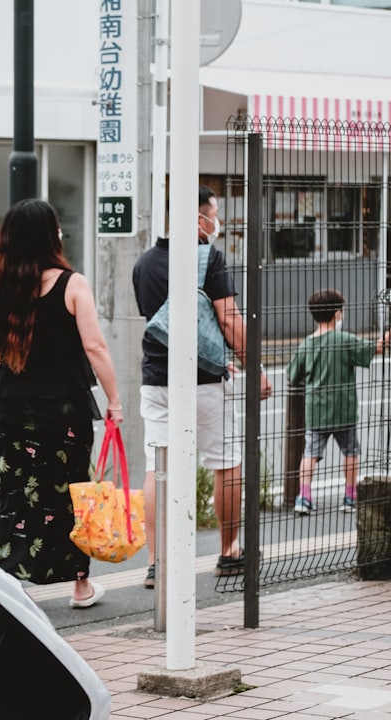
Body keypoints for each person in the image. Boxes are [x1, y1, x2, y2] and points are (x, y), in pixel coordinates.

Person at [0, 198, 123, 609]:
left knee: (13, 495)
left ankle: (9, 586)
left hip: (11, 409)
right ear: (49, 234)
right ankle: (79, 587)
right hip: (65, 411)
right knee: (69, 494)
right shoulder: (72, 283)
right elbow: (95, 347)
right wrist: (114, 399)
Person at [132, 185, 273, 588]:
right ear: (199, 219)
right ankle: (229, 552)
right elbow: (227, 320)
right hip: (204, 381)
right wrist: (254, 366)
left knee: (158, 467)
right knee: (225, 460)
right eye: (214, 214)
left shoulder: (144, 263)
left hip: (156, 380)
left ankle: (157, 562)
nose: (218, 222)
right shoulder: (207, 257)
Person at [287, 288, 385, 514]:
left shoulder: (306, 344)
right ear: (338, 314)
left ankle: (304, 497)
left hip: (316, 412)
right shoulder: (345, 340)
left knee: (310, 453)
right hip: (344, 410)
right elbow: (375, 348)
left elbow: (292, 375)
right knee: (350, 452)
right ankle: (350, 497)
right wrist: (385, 338)